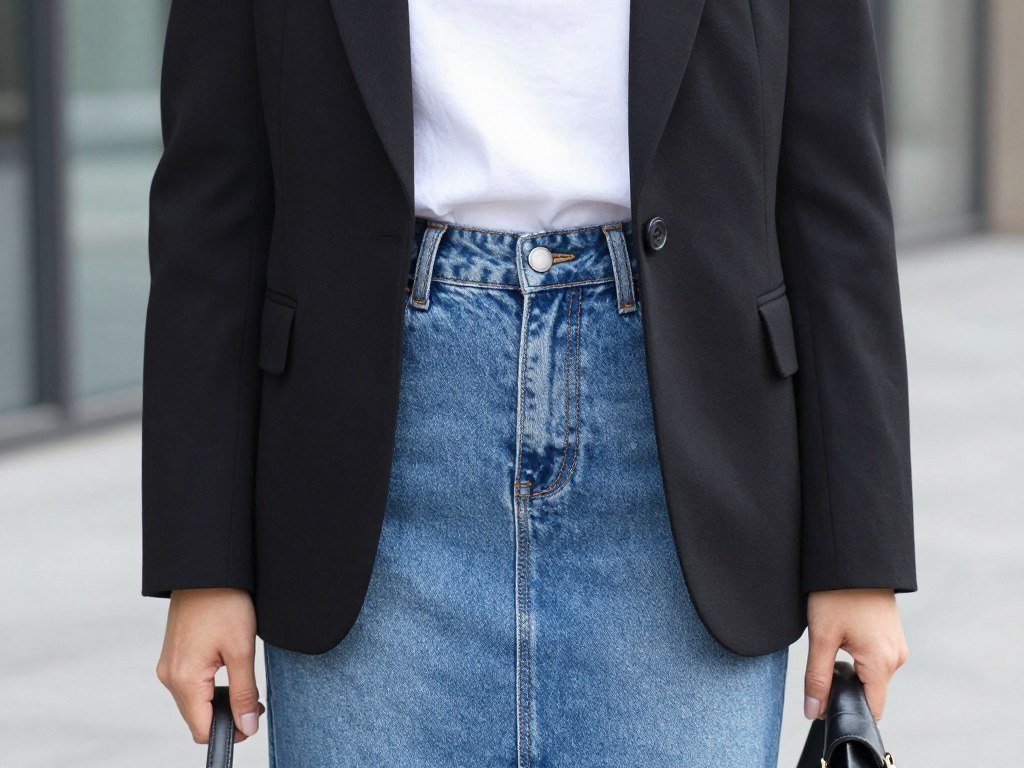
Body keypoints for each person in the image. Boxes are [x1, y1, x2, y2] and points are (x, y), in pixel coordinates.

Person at [144, 1, 915, 765]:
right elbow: (212, 213)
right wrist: (202, 564)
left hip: (683, 469)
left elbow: (834, 201)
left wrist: (858, 557)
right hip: (363, 477)